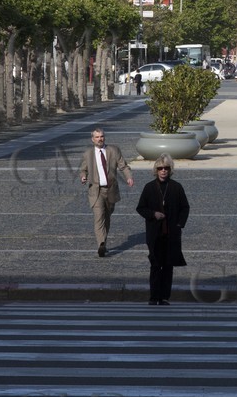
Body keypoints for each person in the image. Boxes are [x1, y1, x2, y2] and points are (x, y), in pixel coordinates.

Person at [135, 154, 189, 305]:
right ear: (156, 170)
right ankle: (154, 296)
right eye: (160, 168)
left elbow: (185, 208)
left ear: (170, 170)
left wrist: (179, 224)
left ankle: (164, 296)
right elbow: (140, 208)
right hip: (155, 233)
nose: (163, 171)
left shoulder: (176, 187)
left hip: (171, 234)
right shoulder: (149, 187)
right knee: (155, 265)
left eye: (166, 168)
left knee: (168, 266)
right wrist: (153, 214)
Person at [77, 128, 135, 257]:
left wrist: (128, 177)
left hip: (111, 189)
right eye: (97, 137)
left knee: (107, 217)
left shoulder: (113, 150)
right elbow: (83, 170)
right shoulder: (88, 154)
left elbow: (123, 166)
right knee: (99, 217)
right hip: (96, 191)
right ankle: (101, 244)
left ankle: (104, 241)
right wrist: (83, 177)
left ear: (104, 137)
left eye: (101, 136)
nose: (100, 139)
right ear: (92, 139)